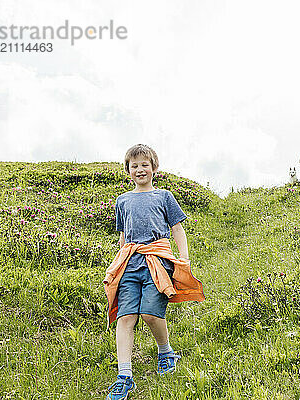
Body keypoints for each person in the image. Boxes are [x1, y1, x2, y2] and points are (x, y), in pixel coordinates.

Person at [103, 144, 205, 399]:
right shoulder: (122, 200)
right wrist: (120, 262)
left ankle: (166, 351)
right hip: (130, 264)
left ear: (154, 168)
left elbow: (178, 229)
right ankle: (124, 376)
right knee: (125, 317)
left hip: (158, 263)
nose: (140, 169)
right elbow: (123, 236)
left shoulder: (164, 196)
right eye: (134, 166)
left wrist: (184, 259)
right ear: (128, 171)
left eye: (144, 165)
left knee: (150, 314)